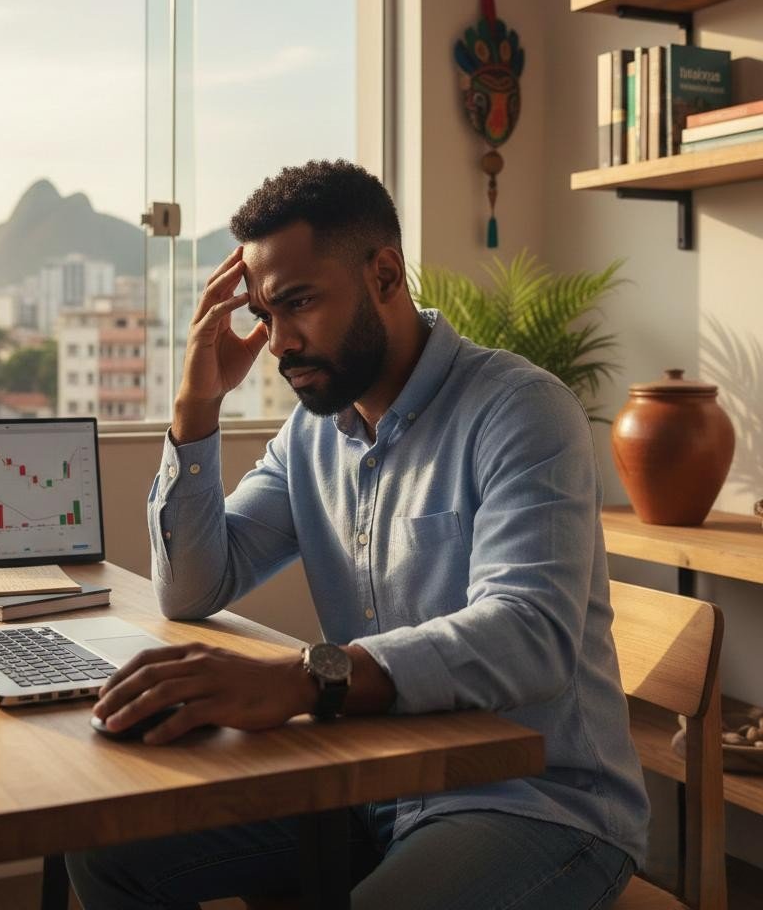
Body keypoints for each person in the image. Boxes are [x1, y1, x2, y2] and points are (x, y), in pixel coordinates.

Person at [67, 160, 649, 909]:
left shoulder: (520, 411)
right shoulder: (309, 439)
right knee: (112, 845)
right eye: (265, 315)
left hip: (534, 805)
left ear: (384, 274)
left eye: (299, 304)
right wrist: (196, 406)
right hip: (371, 783)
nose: (278, 343)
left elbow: (527, 633)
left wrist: (301, 679)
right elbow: (192, 588)